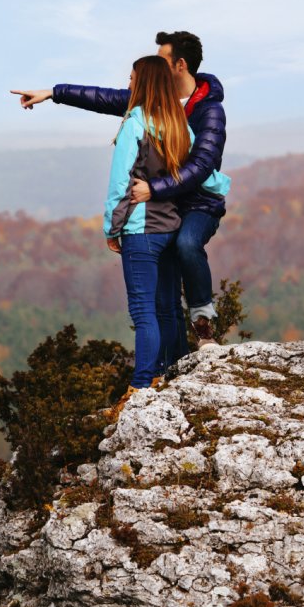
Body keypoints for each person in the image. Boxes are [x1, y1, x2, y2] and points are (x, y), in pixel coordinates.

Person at [13, 31, 227, 363]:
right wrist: (52, 93)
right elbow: (102, 98)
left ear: (180, 65)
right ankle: (171, 365)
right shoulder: (156, 103)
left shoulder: (209, 111)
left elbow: (201, 167)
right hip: (166, 208)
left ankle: (204, 327)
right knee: (164, 301)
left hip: (198, 203)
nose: (154, 63)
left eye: (162, 59)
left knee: (187, 244)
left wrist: (153, 189)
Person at [101, 56, 229, 412]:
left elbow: (119, 182)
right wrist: (221, 185)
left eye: (130, 79)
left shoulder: (134, 124)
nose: (127, 84)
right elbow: (197, 170)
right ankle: (171, 373)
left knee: (144, 311)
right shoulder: (178, 124)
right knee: (168, 307)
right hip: (171, 225)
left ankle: (142, 384)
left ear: (143, 83)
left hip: (140, 228)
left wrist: (112, 227)